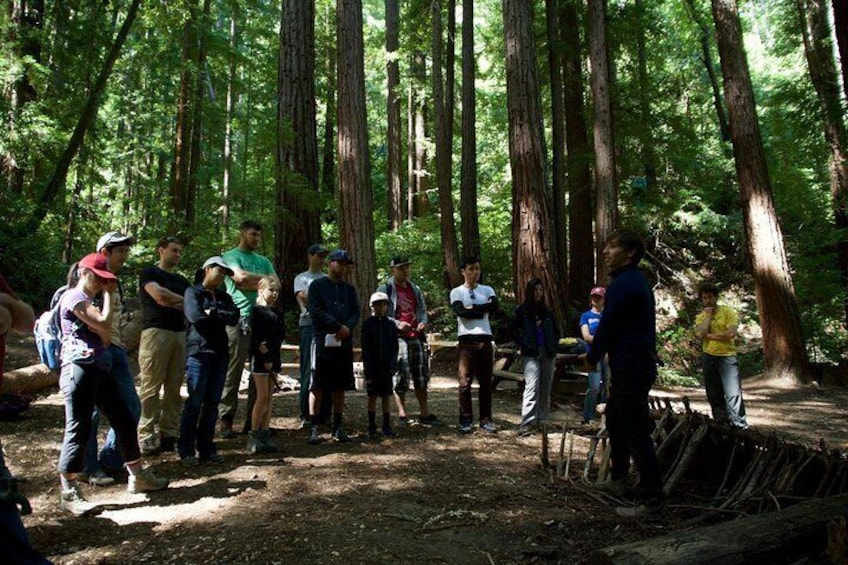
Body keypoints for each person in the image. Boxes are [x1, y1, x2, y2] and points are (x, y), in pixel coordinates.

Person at [58, 253, 168, 516]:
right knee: (79, 426)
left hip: (98, 367)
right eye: (99, 279)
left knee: (124, 418)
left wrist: (102, 323)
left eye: (106, 281)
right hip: (78, 369)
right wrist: (107, 297)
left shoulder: (88, 300)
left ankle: (138, 474)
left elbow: (105, 335)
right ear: (85, 273)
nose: (102, 284)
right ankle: (69, 490)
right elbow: (104, 324)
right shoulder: (74, 297)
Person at [583, 230, 664, 518]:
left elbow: (609, 326)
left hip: (633, 365)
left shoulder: (625, 284)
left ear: (629, 253)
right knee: (616, 420)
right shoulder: (628, 281)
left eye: (613, 246)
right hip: (628, 364)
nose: (605, 251)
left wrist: (592, 357)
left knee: (637, 431)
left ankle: (653, 501)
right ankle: (619, 479)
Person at [82, 232, 140, 486]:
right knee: (91, 413)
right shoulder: (88, 281)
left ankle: (112, 458)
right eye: (121, 252)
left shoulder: (117, 282)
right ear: (105, 252)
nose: (125, 256)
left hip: (117, 350)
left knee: (131, 407)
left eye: (126, 251)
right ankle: (88, 466)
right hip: (95, 353)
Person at [219, 220, 278, 438]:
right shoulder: (231, 256)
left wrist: (260, 283)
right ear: (242, 233)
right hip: (239, 318)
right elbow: (240, 279)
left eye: (258, 236)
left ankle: (253, 422)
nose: (256, 239)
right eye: (252, 234)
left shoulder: (263, 260)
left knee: (260, 371)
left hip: (261, 320)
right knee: (233, 369)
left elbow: (277, 284)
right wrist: (264, 282)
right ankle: (226, 419)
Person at [179, 257, 240, 466]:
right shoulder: (192, 292)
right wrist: (216, 316)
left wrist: (213, 313)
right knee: (195, 401)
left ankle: (207, 448)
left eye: (225, 272)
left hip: (220, 353)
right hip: (199, 352)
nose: (223, 275)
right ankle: (186, 450)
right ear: (207, 269)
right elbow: (196, 317)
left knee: (212, 403)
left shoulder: (224, 296)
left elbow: (234, 316)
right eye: (220, 270)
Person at [137, 236, 190, 455]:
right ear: (161, 250)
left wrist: (176, 300)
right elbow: (159, 296)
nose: (177, 255)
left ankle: (169, 433)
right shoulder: (149, 273)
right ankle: (146, 434)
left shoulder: (181, 280)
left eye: (180, 251)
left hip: (180, 334)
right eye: (174, 250)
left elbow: (191, 305)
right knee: (151, 384)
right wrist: (180, 301)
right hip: (156, 332)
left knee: (174, 386)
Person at [306, 249, 360, 444]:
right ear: (331, 263)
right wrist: (337, 326)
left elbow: (356, 312)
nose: (343, 267)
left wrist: (347, 327)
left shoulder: (349, 289)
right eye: (340, 263)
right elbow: (315, 310)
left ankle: (338, 426)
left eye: (345, 264)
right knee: (318, 384)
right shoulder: (317, 286)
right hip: (322, 340)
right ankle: (313, 426)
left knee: (340, 385)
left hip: (343, 342)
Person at [376, 256, 436, 426]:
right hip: (396, 337)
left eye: (407, 267)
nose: (405, 271)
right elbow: (379, 313)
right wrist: (397, 323)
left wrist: (423, 321)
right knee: (401, 374)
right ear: (393, 270)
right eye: (401, 268)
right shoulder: (386, 288)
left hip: (415, 336)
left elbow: (422, 309)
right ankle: (402, 414)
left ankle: (425, 412)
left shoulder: (414, 288)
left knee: (421, 374)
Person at [450, 257, 498, 434]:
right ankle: (465, 419)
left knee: (486, 382)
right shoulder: (457, 292)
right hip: (466, 340)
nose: (475, 272)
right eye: (471, 269)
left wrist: (473, 309)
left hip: (485, 339)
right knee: (464, 382)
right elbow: (460, 311)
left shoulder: (487, 289)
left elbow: (495, 306)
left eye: (477, 269)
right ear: (463, 271)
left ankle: (486, 419)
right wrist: (481, 308)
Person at [694, 282, 748, 429]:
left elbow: (731, 334)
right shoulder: (701, 317)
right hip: (708, 356)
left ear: (716, 297)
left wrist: (709, 336)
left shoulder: (728, 312)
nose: (707, 301)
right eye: (704, 298)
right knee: (713, 391)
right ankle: (721, 421)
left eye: (710, 297)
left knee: (733, 392)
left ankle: (739, 423)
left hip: (727, 356)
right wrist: (708, 317)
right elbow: (699, 334)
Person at [512, 278, 559, 436]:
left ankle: (543, 420)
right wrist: (522, 343)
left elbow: (556, 330)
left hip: (547, 352)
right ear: (530, 292)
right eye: (536, 290)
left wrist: (554, 344)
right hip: (530, 353)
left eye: (541, 290)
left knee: (546, 386)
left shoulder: (547, 312)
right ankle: (527, 422)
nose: (538, 293)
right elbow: (513, 330)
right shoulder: (522, 311)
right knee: (531, 386)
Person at [247, 276, 285, 453]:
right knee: (261, 397)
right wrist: (265, 356)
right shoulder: (256, 312)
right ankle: (253, 435)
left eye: (276, 290)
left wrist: (273, 357)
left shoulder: (277, 313)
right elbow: (254, 338)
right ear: (261, 291)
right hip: (261, 360)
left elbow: (278, 337)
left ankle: (265, 432)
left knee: (269, 398)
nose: (274, 293)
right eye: (271, 290)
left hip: (274, 357)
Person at [293, 243, 329, 428]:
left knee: (326, 369)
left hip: (327, 327)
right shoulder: (301, 278)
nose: (321, 259)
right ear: (310, 256)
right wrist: (321, 301)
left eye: (323, 256)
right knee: (308, 368)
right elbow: (303, 298)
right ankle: (306, 414)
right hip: (309, 325)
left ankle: (324, 413)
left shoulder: (326, 278)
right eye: (318, 255)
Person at [361, 292, 399, 438]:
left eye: (384, 304)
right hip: (373, 367)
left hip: (387, 366)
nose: (381, 307)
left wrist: (393, 363)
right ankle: (371, 425)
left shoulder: (390, 325)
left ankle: (386, 424)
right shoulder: (367, 325)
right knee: (372, 395)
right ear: (373, 306)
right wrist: (368, 369)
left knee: (386, 396)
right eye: (378, 304)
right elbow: (366, 349)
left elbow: (395, 347)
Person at [580, 287, 609, 424]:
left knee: (607, 387)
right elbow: (586, 336)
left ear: (604, 299)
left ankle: (604, 418)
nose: (595, 299)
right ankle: (587, 417)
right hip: (591, 355)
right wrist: (602, 340)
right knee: (593, 387)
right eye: (593, 297)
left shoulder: (608, 315)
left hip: (608, 355)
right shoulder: (586, 316)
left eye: (599, 297)